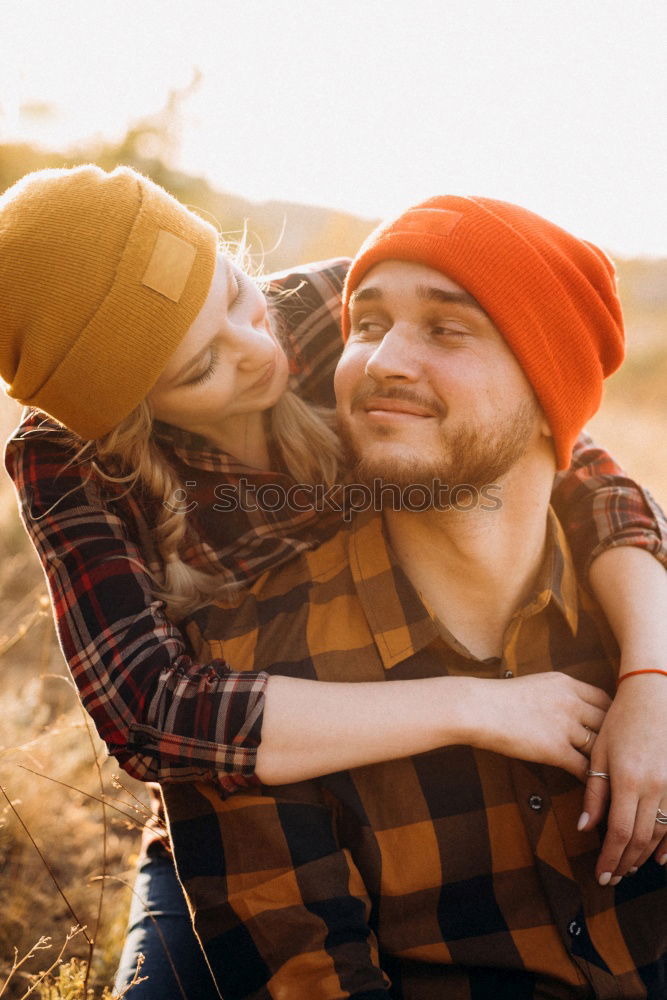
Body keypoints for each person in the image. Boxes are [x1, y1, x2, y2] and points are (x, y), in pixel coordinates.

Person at [1, 168, 665, 994]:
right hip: (256, 771)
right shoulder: (69, 457)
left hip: (437, 656)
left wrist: (649, 678)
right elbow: (148, 712)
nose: (260, 348)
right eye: (202, 366)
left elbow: (573, 458)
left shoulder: (337, 311)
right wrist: (473, 705)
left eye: (237, 294)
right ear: (132, 410)